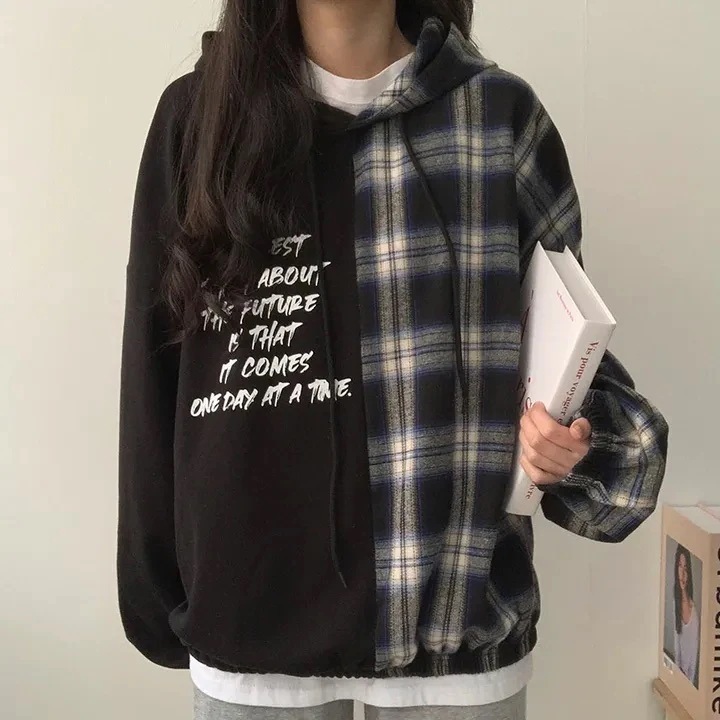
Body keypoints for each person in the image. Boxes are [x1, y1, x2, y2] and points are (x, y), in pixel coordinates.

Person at [116, 1, 670, 718]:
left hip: (457, 639)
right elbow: (153, 373)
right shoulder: (199, 121)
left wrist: (570, 443)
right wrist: (158, 594)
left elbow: (569, 359)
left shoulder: (499, 119)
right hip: (250, 634)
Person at [673, 545, 700, 687]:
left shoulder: (694, 615)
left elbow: (693, 661)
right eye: (679, 566)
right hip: (676, 677)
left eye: (686, 568)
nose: (682, 573)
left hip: (688, 682)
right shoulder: (675, 602)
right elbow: (676, 648)